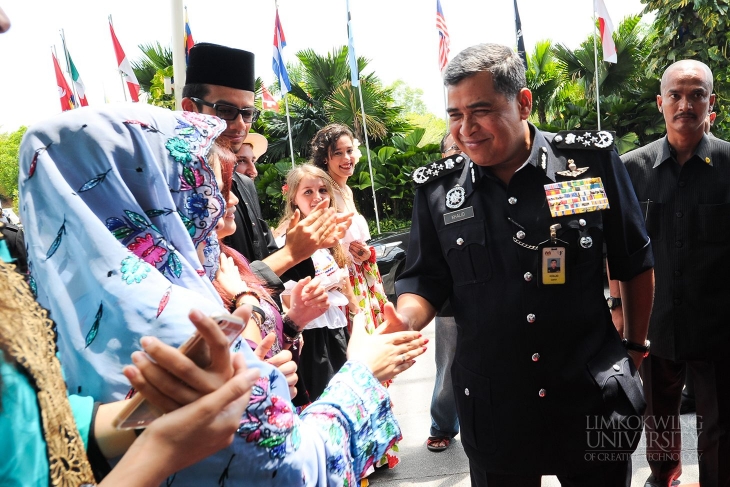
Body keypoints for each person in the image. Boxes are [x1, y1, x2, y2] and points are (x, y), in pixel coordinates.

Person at [18, 104, 427, 485]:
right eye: (203, 184)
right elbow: (293, 469)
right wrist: (364, 372)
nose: (220, 201)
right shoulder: (183, 322)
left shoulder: (42, 319)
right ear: (155, 196)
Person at [389, 43, 655, 486]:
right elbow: (424, 278)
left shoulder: (588, 166)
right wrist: (404, 320)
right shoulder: (438, 192)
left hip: (589, 391)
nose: (465, 129)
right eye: (455, 114)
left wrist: (635, 345)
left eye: (480, 110)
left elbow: (634, 259)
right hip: (494, 402)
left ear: (524, 103)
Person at [614, 59, 730, 487]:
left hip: (718, 325)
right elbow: (616, 247)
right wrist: (618, 309)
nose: (686, 103)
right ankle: (664, 476)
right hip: (654, 323)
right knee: (657, 416)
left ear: (711, 103)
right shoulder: (628, 170)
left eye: (697, 94)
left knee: (720, 424)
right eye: (676, 95)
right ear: (660, 102)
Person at [182, 42, 340, 293]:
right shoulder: (180, 187)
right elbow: (216, 286)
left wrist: (304, 245)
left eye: (247, 113)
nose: (239, 125)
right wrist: (290, 253)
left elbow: (262, 258)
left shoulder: (244, 185)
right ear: (190, 109)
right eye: (225, 111)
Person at [277, 164, 360, 404]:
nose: (317, 198)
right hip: (310, 335)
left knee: (345, 395)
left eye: (322, 190)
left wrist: (356, 316)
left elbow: (344, 284)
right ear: (293, 197)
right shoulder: (288, 239)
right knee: (323, 400)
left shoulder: (331, 236)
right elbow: (283, 294)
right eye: (308, 192)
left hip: (336, 328)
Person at [311, 124, 389, 332]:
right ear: (325, 158)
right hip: (343, 281)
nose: (347, 158)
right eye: (338, 153)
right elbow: (320, 245)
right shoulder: (323, 190)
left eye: (349, 151)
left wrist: (364, 255)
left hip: (361, 275)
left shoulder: (346, 189)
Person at [426, 133, 461, 453]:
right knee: (448, 366)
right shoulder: (433, 193)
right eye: (452, 149)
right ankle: (443, 425)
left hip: (496, 298)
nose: (459, 153)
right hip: (450, 302)